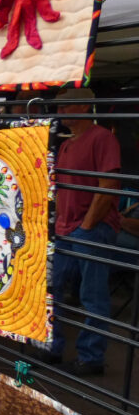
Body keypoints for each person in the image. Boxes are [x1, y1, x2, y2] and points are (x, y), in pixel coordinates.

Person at [48, 87, 121, 375]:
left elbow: (109, 186)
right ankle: (55, 347)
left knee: (91, 295)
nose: (61, 112)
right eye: (59, 108)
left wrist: (88, 224)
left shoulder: (103, 138)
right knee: (55, 290)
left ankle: (90, 358)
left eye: (65, 107)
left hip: (88, 229)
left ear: (82, 107)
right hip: (69, 229)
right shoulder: (67, 144)